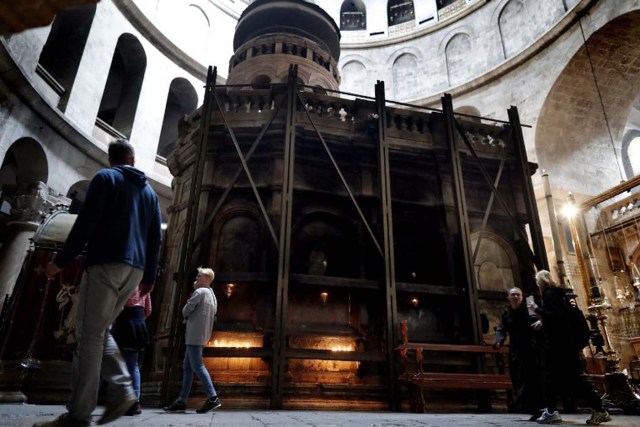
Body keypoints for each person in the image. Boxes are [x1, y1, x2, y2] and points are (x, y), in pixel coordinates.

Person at [36, 140, 162, 427]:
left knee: (88, 338)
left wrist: (61, 260)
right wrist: (151, 276)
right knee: (99, 331)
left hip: (107, 261)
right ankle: (122, 389)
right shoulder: (150, 193)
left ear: (110, 159)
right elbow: (156, 237)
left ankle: (81, 413)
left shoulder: (106, 178)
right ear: (132, 158)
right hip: (136, 270)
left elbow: (87, 222)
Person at [530, 270, 611, 425]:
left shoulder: (549, 294)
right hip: (566, 346)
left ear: (541, 282)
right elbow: (560, 318)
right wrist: (543, 322)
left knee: (556, 378)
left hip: (558, 347)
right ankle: (554, 411)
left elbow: (555, 316)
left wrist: (536, 309)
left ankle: (554, 412)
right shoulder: (560, 295)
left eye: (537, 282)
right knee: (565, 380)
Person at [164, 267, 221, 414]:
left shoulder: (200, 292)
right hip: (202, 335)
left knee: (198, 365)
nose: (197, 278)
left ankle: (213, 397)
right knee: (188, 367)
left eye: (200, 276)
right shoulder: (212, 294)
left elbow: (185, 311)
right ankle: (182, 400)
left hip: (194, 335)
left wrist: (194, 292)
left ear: (207, 279)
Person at [493, 287, 544, 419]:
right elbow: (501, 328)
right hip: (516, 349)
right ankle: (527, 405)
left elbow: (539, 320)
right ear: (509, 298)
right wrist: (499, 341)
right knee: (518, 377)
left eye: (518, 295)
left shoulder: (529, 309)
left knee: (533, 378)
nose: (515, 297)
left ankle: (537, 408)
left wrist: (540, 323)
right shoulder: (507, 313)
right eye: (513, 295)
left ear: (521, 297)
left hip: (531, 348)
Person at [111, 286, 152, 416]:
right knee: (132, 365)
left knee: (118, 363)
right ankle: (135, 402)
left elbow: (121, 305)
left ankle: (127, 402)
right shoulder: (145, 285)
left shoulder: (130, 282)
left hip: (126, 323)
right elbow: (148, 309)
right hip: (138, 323)